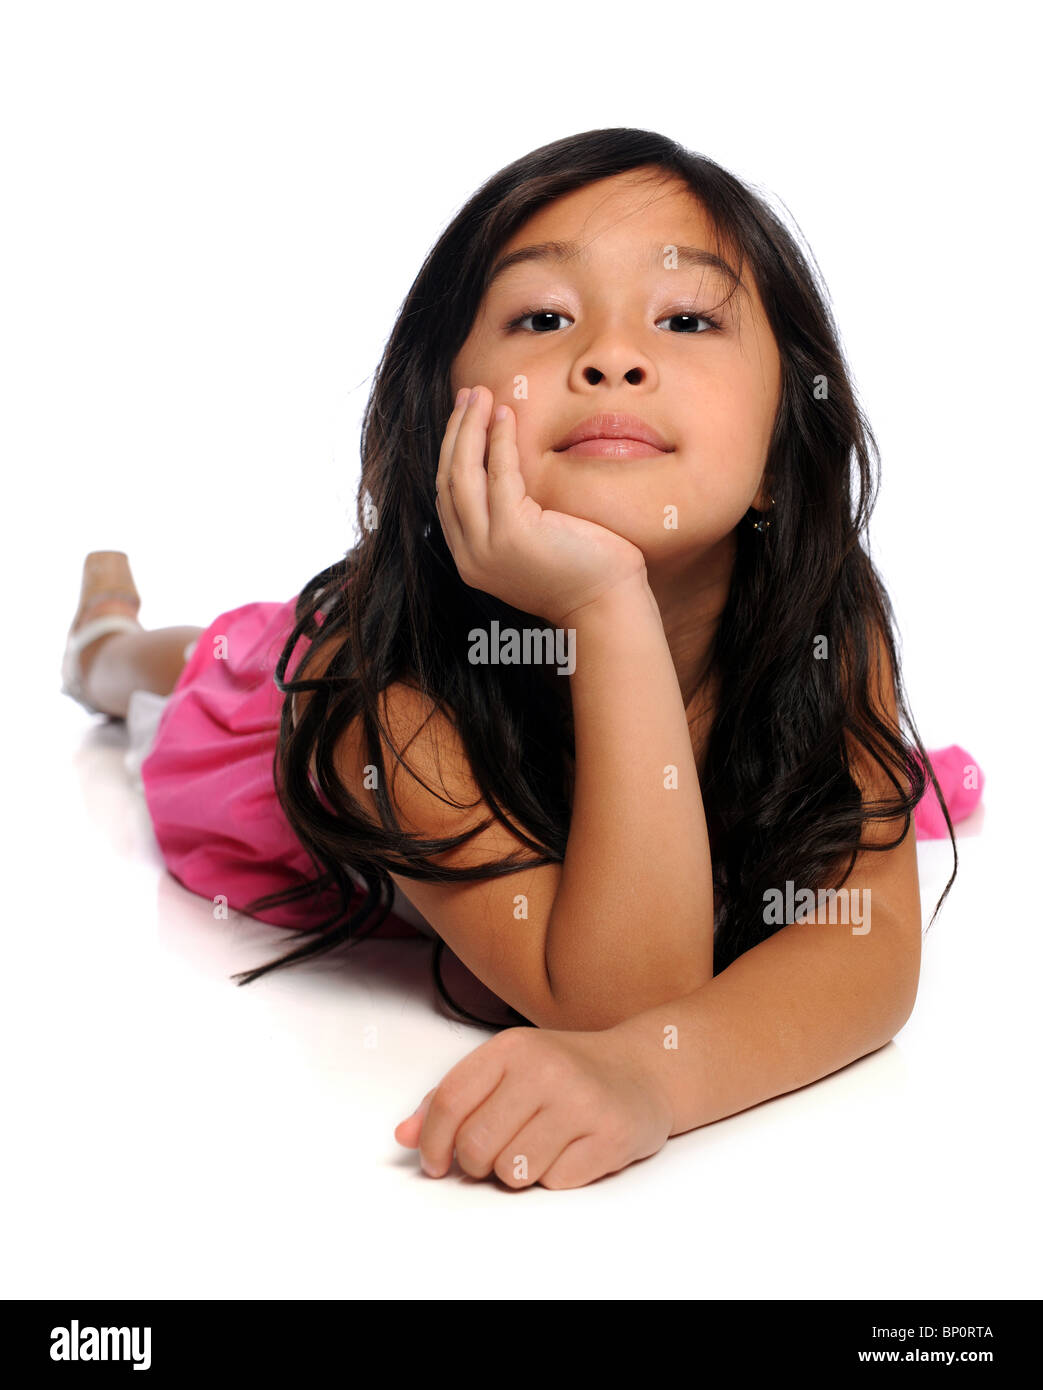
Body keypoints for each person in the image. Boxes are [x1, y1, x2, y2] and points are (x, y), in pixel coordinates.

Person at [61, 128, 976, 1191]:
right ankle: (101, 633)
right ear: (439, 415)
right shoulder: (381, 701)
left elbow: (859, 955)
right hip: (286, 703)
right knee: (187, 668)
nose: (612, 357)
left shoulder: (824, 627)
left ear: (779, 452)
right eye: (542, 318)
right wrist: (601, 600)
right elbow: (626, 998)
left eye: (684, 319)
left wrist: (650, 1081)